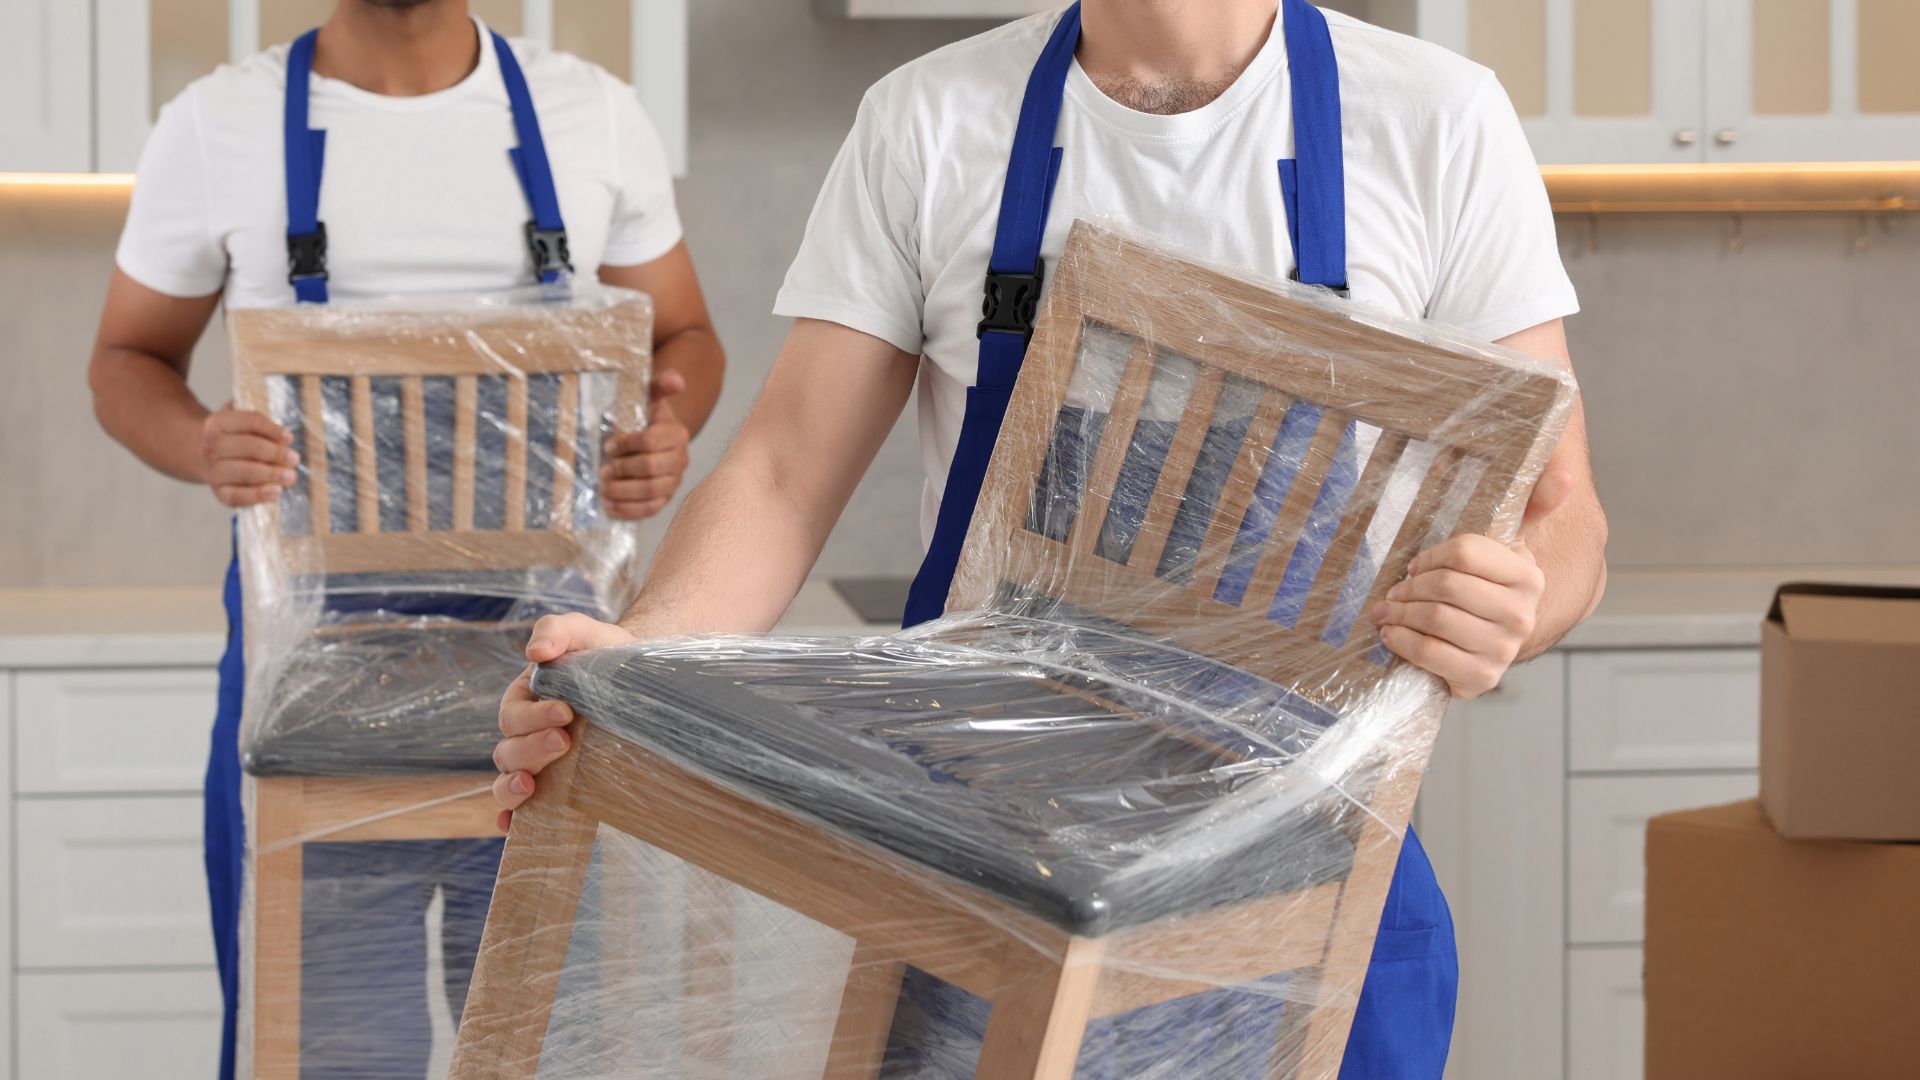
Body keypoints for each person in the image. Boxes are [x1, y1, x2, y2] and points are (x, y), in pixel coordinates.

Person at [492, 0, 1606, 1075]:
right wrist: (638, 656)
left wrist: (1515, 604)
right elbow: (785, 474)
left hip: (1303, 878)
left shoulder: (1435, 118)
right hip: (983, 868)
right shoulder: (928, 120)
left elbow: (1563, 517)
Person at [85, 1, 724, 1076]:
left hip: (554, 670)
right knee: (332, 1051)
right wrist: (201, 443)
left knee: (541, 1049)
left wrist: (669, 426)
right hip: (309, 667)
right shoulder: (214, 124)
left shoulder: (594, 116)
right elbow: (124, 360)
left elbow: (686, 337)